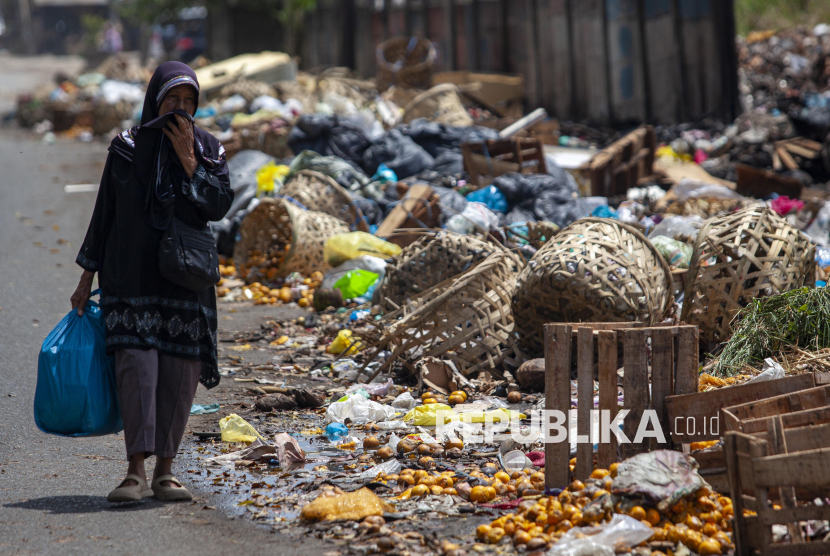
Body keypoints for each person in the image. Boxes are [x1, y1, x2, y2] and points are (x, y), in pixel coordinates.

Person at [70, 62, 233, 503]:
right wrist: (87, 275)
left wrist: (189, 163)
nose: (179, 110)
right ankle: (134, 471)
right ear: (154, 100)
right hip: (129, 274)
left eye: (188, 102)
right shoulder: (126, 148)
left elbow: (218, 205)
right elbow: (105, 213)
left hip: (185, 279)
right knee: (137, 367)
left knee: (180, 371)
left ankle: (165, 469)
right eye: (171, 100)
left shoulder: (209, 149)